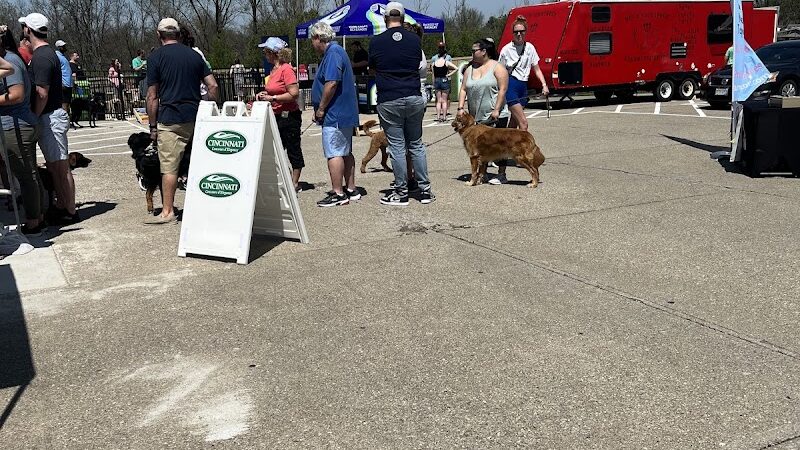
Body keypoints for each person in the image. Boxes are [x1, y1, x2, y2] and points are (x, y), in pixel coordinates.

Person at [146, 17, 218, 224]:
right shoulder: (195, 56)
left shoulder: (155, 58)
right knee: (199, 162)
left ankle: (168, 211)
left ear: (159, 35)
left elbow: (152, 96)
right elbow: (212, 86)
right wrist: (209, 105)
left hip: (170, 118)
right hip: (196, 116)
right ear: (177, 34)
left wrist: (152, 126)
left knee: (169, 166)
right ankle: (207, 204)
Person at [369, 2, 434, 206]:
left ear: (386, 18)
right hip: (413, 96)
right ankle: (425, 190)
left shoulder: (376, 41)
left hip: (390, 97)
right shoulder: (415, 40)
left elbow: (372, 69)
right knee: (416, 144)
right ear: (403, 18)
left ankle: (401, 191)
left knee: (397, 147)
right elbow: (417, 65)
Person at [20, 12, 78, 224]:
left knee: (60, 167)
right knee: (55, 166)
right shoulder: (45, 54)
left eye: (24, 27)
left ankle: (69, 210)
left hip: (50, 117)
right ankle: (63, 205)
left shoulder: (42, 56)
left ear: (28, 30)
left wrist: (33, 116)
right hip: (50, 116)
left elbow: (42, 93)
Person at [309, 21, 360, 207]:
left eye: (312, 40)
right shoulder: (337, 52)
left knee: (334, 153)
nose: (312, 45)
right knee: (345, 151)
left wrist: (321, 108)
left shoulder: (333, 53)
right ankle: (351, 188)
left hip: (335, 113)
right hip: (343, 112)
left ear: (317, 37)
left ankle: (338, 193)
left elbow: (331, 83)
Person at [0, 26, 44, 235]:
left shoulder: (10, 61)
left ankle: (34, 221)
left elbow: (16, 94)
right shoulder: (11, 59)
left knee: (26, 175)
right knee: (30, 174)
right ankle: (38, 215)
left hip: (16, 125)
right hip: (18, 124)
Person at [497, 15, 548, 184]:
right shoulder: (506, 50)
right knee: (523, 123)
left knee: (512, 127)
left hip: (523, 86)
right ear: (512, 33)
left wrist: (544, 84)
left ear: (526, 32)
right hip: (511, 85)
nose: (519, 34)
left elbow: (537, 69)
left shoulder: (530, 48)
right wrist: (501, 91)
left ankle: (502, 158)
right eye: (516, 32)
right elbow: (499, 71)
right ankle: (526, 154)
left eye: (522, 31)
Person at [458, 38, 511, 184]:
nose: (472, 53)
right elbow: (463, 89)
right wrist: (461, 108)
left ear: (484, 51)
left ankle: (501, 174)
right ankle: (482, 174)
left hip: (495, 114)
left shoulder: (498, 67)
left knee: (499, 145)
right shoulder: (470, 69)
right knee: (481, 147)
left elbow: (503, 89)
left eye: (474, 50)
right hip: (477, 116)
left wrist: (497, 109)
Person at [256, 38, 305, 191]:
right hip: (276, 115)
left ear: (273, 53)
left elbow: (294, 93)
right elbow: (274, 89)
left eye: (266, 52)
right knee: (276, 149)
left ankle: (294, 182)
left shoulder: (286, 69)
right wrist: (264, 95)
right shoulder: (274, 70)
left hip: (289, 116)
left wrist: (273, 98)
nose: (264, 55)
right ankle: (286, 177)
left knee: (292, 147)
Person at [431, 42, 457, 123]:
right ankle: (444, 116)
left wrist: (433, 83)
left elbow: (433, 74)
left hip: (437, 80)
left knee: (439, 100)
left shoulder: (433, 63)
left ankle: (438, 116)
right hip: (444, 80)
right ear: (444, 55)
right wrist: (449, 74)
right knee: (444, 100)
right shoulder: (446, 62)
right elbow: (456, 68)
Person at [54, 39, 72, 115]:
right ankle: (64, 121)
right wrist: (61, 83)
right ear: (59, 47)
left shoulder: (63, 57)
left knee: (67, 104)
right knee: (64, 104)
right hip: (63, 84)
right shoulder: (57, 56)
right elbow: (56, 71)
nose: (65, 47)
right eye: (63, 46)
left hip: (68, 84)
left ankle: (67, 121)